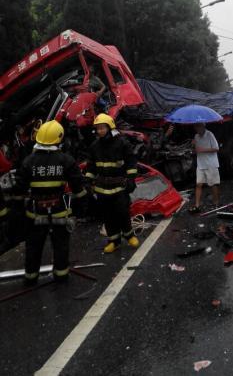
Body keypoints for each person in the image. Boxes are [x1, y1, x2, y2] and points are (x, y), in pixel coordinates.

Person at [13, 120, 87, 285]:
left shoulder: (29, 161)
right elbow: (78, 186)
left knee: (34, 246)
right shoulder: (65, 160)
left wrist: (18, 212)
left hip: (35, 213)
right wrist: (82, 208)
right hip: (59, 211)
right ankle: (61, 277)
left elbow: (19, 189)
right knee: (61, 245)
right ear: (59, 137)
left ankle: (31, 278)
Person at [85, 113, 139, 253]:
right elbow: (91, 165)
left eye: (102, 128)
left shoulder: (122, 143)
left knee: (122, 212)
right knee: (108, 216)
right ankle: (113, 241)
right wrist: (88, 180)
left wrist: (131, 179)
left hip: (119, 186)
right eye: (97, 128)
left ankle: (129, 235)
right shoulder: (94, 146)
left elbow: (131, 162)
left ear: (109, 127)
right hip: (102, 188)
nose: (100, 131)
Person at [189, 123, 220, 213]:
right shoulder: (196, 136)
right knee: (199, 184)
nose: (197, 128)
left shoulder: (210, 134)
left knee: (213, 184)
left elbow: (216, 148)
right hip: (201, 164)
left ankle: (216, 203)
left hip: (211, 164)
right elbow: (195, 151)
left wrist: (202, 149)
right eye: (195, 126)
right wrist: (193, 146)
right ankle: (197, 205)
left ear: (203, 126)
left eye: (198, 126)